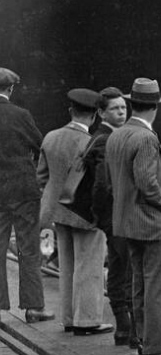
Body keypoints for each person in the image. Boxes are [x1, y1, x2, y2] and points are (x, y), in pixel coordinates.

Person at [104, 77, 161, 355]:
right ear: (155, 107)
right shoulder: (146, 138)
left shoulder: (117, 135)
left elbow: (113, 181)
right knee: (160, 285)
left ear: (132, 103)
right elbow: (147, 182)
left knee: (139, 282)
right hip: (152, 222)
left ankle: (143, 339)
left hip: (127, 222)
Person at [37, 88, 111, 335]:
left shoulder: (50, 137)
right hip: (84, 214)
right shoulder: (93, 142)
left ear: (70, 111)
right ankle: (87, 321)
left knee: (66, 266)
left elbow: (42, 177)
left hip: (55, 212)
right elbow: (100, 184)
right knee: (89, 267)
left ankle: (68, 318)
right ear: (95, 116)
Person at [0, 68, 53, 323]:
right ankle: (33, 308)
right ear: (10, 89)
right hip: (22, 190)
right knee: (28, 249)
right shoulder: (21, 115)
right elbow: (40, 145)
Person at [86, 87, 135, 346]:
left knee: (117, 268)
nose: (121, 112)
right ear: (101, 112)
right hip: (116, 216)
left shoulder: (100, 136)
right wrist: (104, 213)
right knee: (127, 270)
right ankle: (131, 330)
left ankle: (123, 327)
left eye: (123, 108)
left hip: (110, 218)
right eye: (115, 108)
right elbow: (103, 184)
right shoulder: (106, 139)